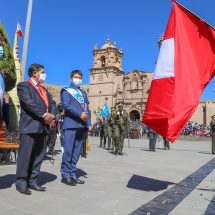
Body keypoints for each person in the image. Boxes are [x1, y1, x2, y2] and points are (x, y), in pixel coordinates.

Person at [15, 64, 56, 195]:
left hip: (43, 128)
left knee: (38, 156)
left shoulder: (44, 90)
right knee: (25, 156)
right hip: (30, 127)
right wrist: (44, 115)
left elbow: (53, 104)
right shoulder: (23, 86)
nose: (44, 75)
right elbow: (28, 103)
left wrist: (52, 115)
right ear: (34, 73)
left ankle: (33, 180)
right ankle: (21, 182)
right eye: (42, 72)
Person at [60, 70, 91, 186]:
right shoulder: (66, 90)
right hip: (70, 124)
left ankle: (73, 174)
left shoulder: (83, 93)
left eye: (80, 77)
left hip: (81, 126)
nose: (78, 79)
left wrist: (88, 123)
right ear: (71, 78)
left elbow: (87, 109)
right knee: (68, 151)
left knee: (76, 152)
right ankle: (65, 175)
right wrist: (79, 114)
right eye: (76, 77)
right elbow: (66, 106)